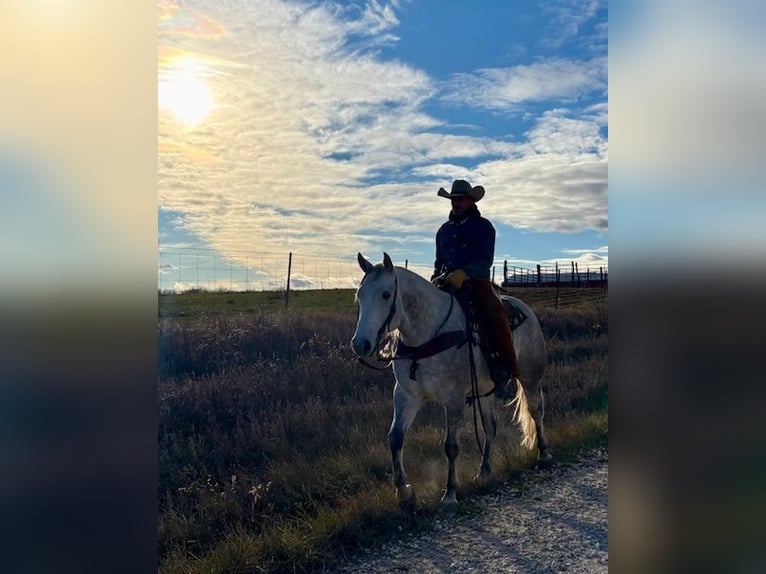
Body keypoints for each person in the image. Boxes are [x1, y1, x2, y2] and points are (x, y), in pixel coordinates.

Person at [431, 179, 520, 395]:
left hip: (476, 282)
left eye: (461, 199)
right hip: (446, 283)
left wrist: (464, 274)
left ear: (471, 201)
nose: (456, 203)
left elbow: (485, 260)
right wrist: (436, 279)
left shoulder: (483, 227)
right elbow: (438, 262)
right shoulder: (443, 231)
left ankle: (506, 368)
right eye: (454, 200)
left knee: (493, 311)